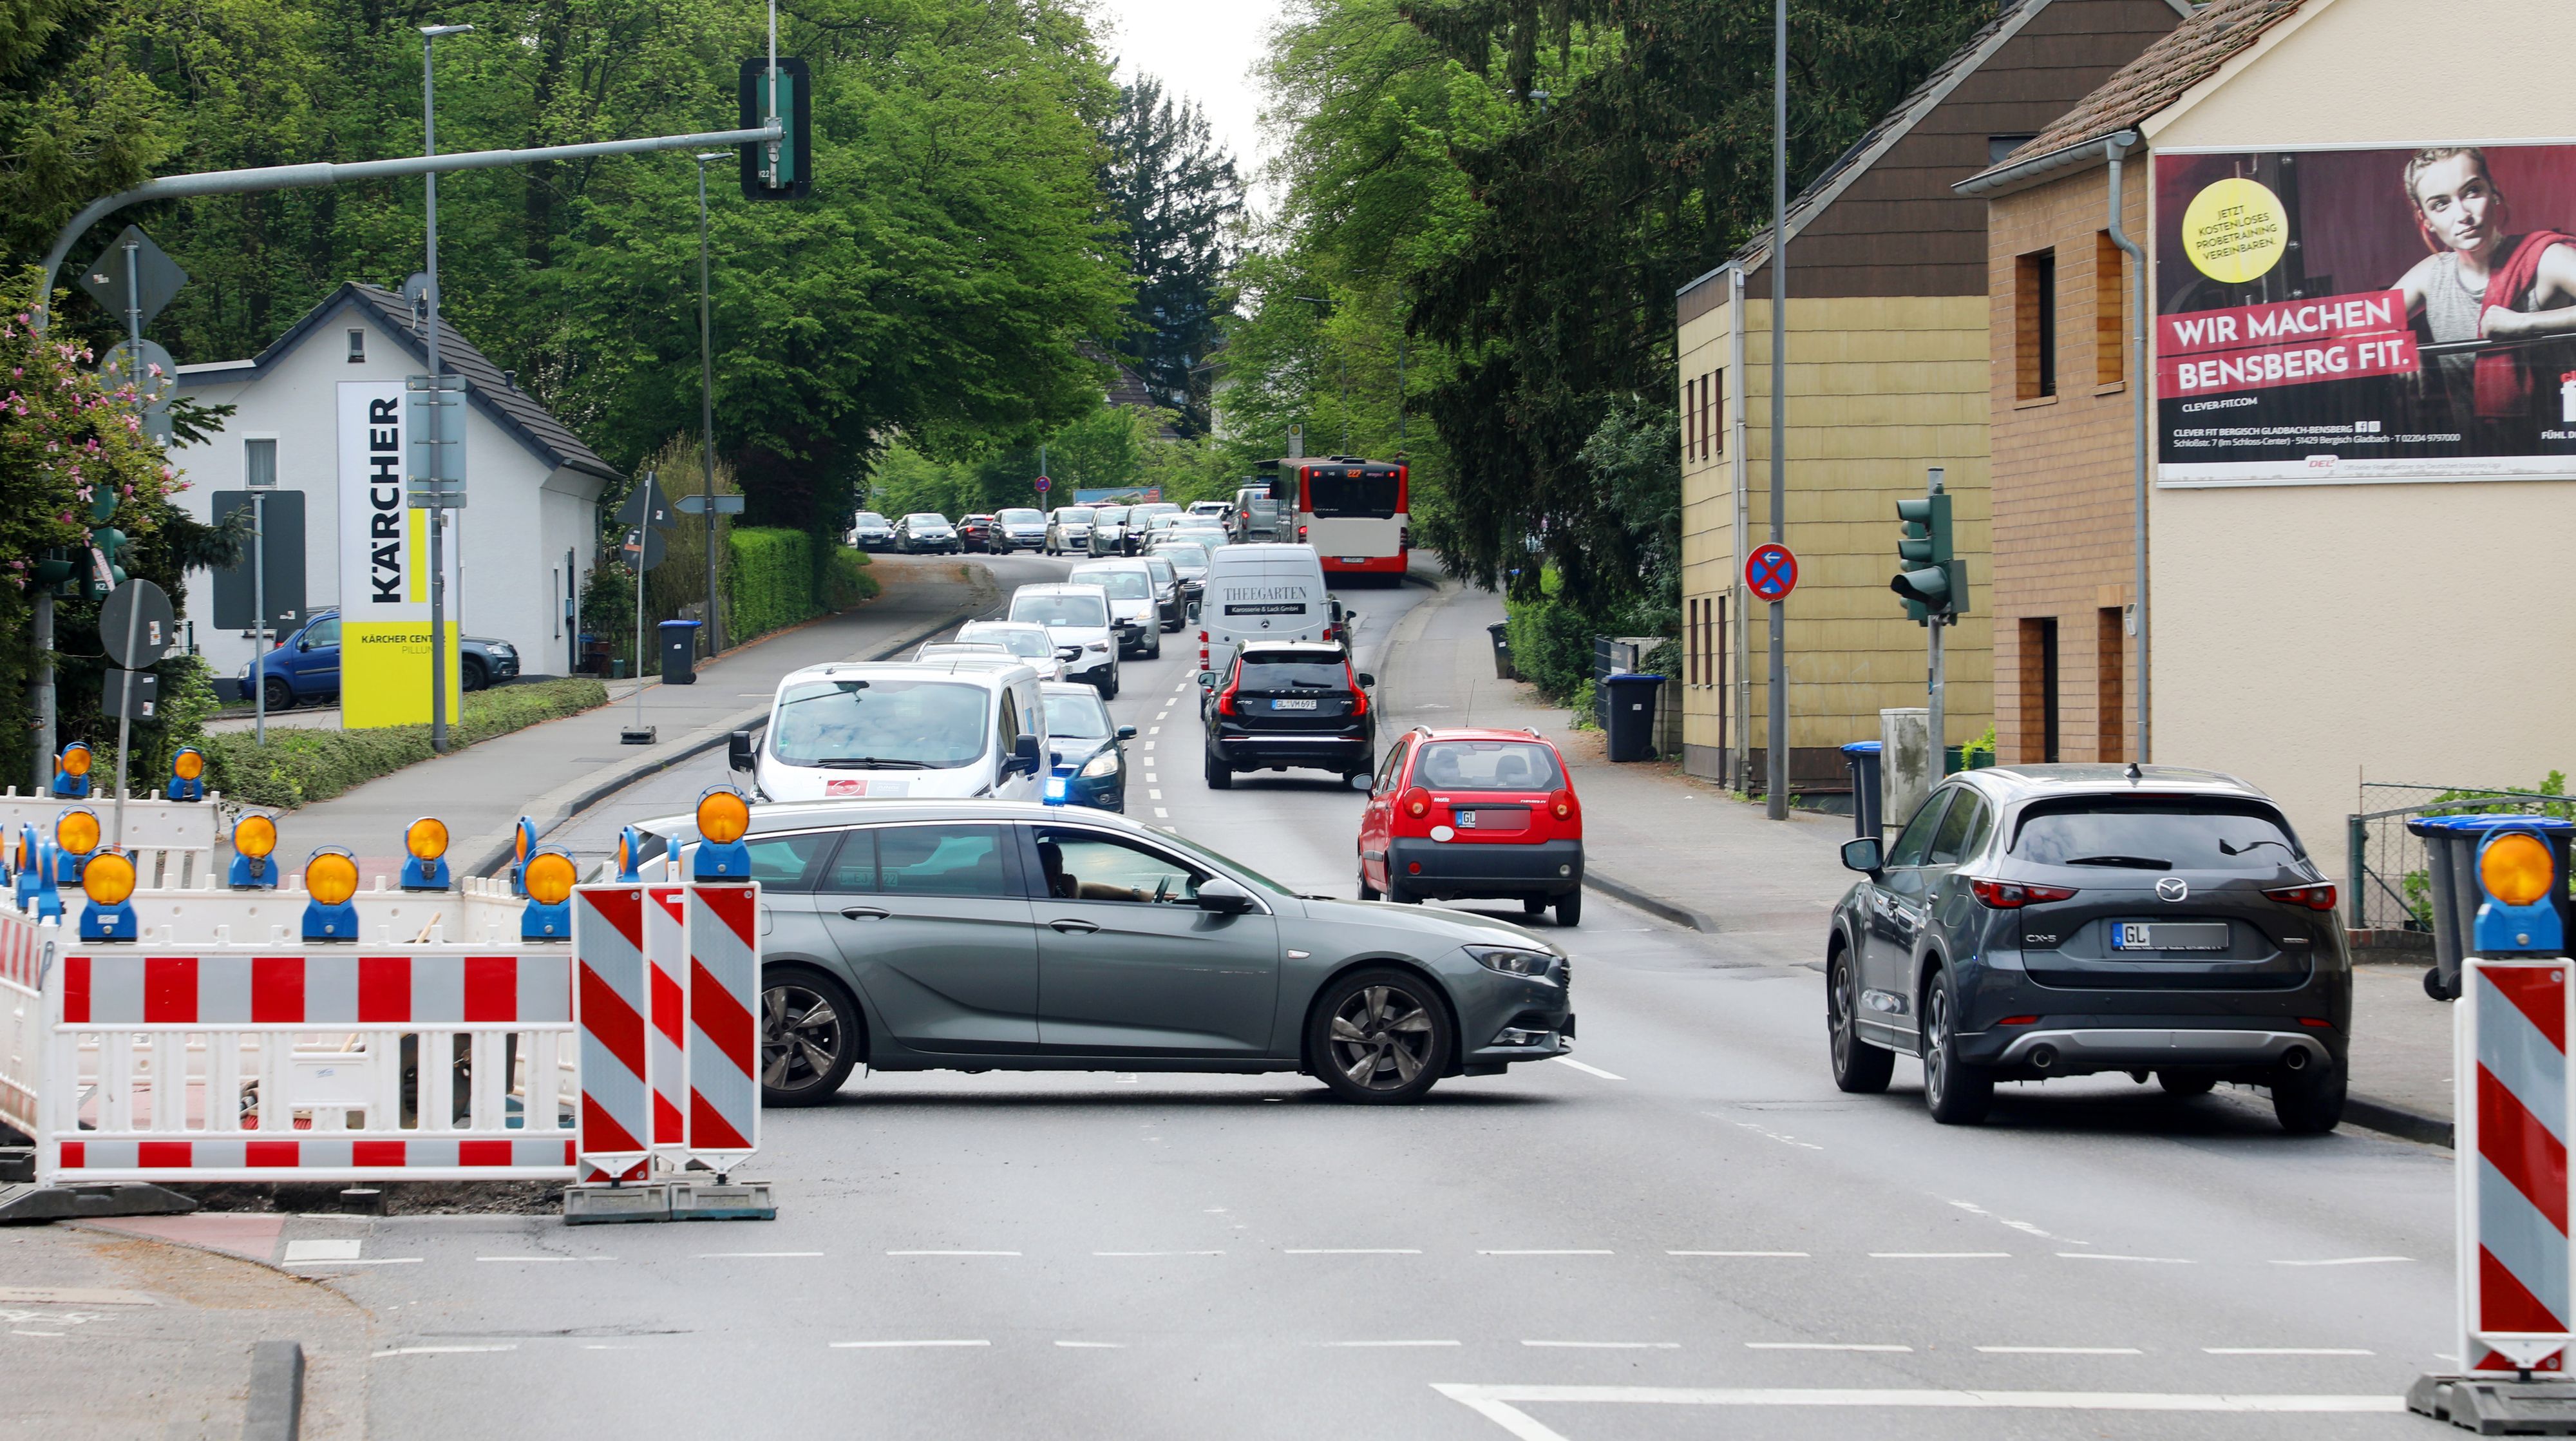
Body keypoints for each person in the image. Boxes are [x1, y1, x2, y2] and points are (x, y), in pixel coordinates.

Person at [2391, 148, 2576, 450]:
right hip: (2478, 453)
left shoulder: (2547, 259)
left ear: (2495, 193)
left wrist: (2525, 324)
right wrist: (2396, 347)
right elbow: (2347, 330)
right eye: (2441, 205)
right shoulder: (2430, 275)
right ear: (2425, 220)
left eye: (2472, 191)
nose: (2462, 215)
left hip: (2559, 453)